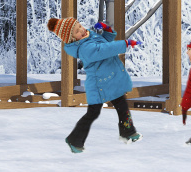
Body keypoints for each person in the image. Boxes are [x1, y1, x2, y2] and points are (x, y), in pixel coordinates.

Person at [51, 16, 142, 152]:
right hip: (98, 85)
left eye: (80, 26)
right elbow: (103, 50)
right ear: (72, 39)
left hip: (108, 81)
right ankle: (74, 140)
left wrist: (106, 29)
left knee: (122, 105)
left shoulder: (89, 36)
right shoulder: (84, 48)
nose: (82, 30)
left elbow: (106, 41)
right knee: (93, 113)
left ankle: (127, 132)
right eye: (77, 31)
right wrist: (125, 43)